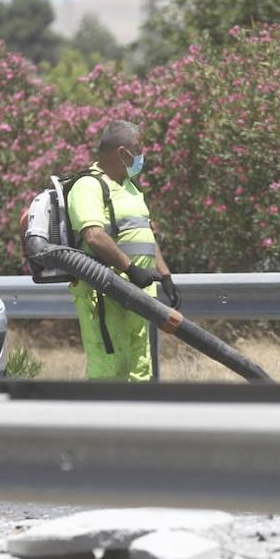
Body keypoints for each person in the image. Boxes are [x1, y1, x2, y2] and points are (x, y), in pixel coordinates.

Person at [67, 120, 180, 381]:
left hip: (139, 293)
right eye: (138, 150)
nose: (142, 157)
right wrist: (131, 269)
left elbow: (145, 234)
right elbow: (94, 235)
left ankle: (136, 419)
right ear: (122, 152)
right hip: (105, 292)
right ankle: (102, 420)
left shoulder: (130, 188)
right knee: (109, 367)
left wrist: (165, 275)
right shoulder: (88, 186)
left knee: (139, 365)